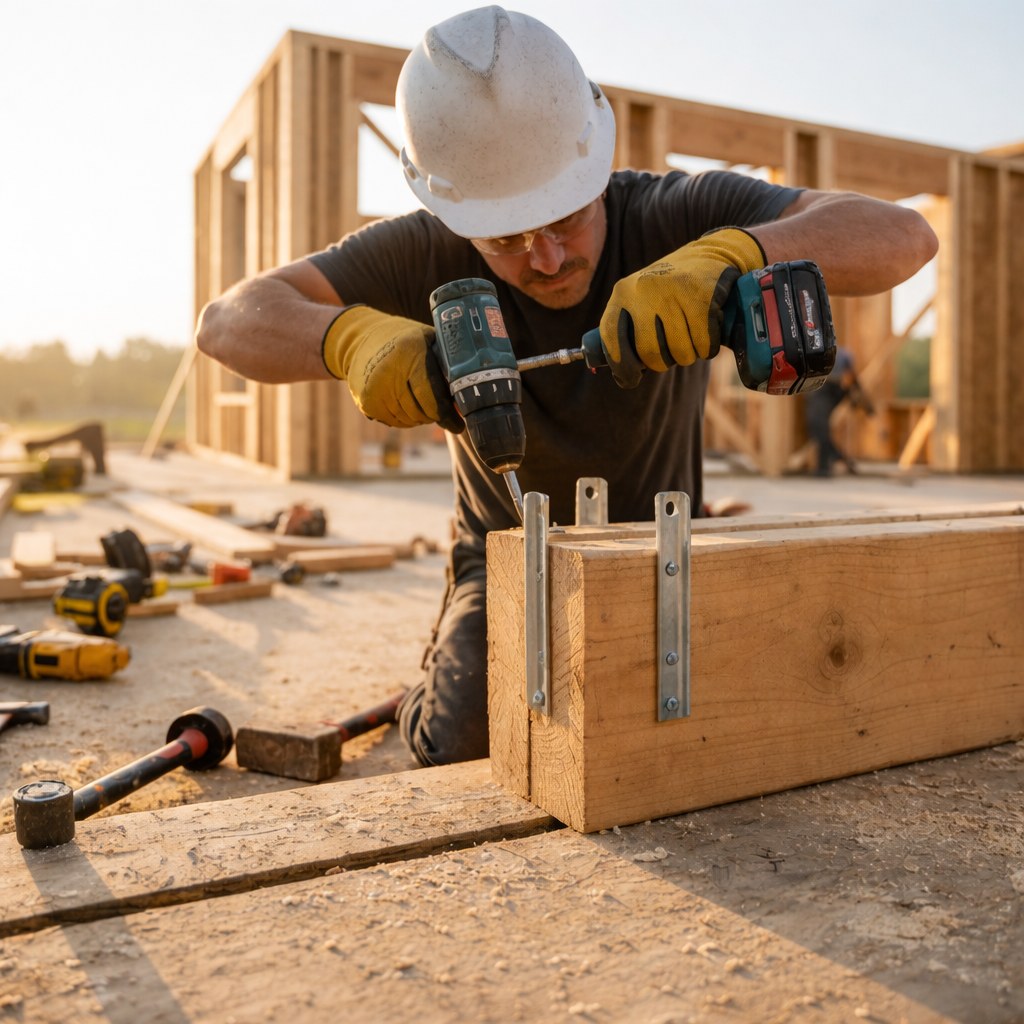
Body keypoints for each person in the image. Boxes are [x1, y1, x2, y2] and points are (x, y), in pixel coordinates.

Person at [196, 7, 938, 767]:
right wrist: (347, 339)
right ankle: (442, 658)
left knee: (738, 722)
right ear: (455, 213)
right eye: (507, 239)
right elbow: (224, 323)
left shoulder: (672, 215)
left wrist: (733, 255)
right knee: (465, 745)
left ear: (594, 171)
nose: (545, 258)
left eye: (566, 220)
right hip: (506, 558)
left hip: (667, 542)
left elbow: (906, 237)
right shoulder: (424, 249)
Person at [804, 346, 875, 476]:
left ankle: (826, 467)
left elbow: (854, 384)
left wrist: (865, 405)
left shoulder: (841, 358)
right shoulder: (832, 358)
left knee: (820, 429)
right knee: (819, 429)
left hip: (827, 389)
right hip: (821, 388)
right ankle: (833, 461)